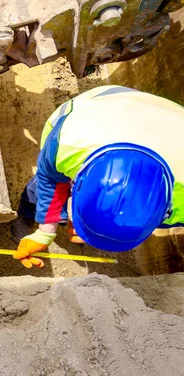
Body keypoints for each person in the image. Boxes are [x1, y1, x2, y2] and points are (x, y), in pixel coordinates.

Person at [11, 85, 183, 268]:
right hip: (106, 104)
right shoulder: (69, 142)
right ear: (78, 181)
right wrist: (46, 230)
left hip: (163, 121)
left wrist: (98, 222)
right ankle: (27, 212)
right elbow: (50, 179)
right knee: (42, 187)